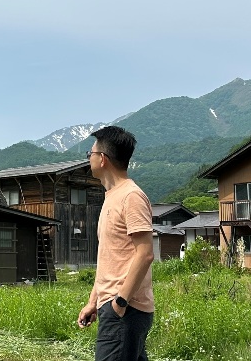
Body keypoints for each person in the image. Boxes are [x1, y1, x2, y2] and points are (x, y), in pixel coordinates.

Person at [77, 126, 154, 361]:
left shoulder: (132, 197)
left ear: (102, 159)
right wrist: (94, 301)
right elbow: (110, 258)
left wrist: (119, 302)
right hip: (114, 306)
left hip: (125, 310)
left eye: (90, 154)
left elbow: (145, 254)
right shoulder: (112, 197)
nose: (88, 159)